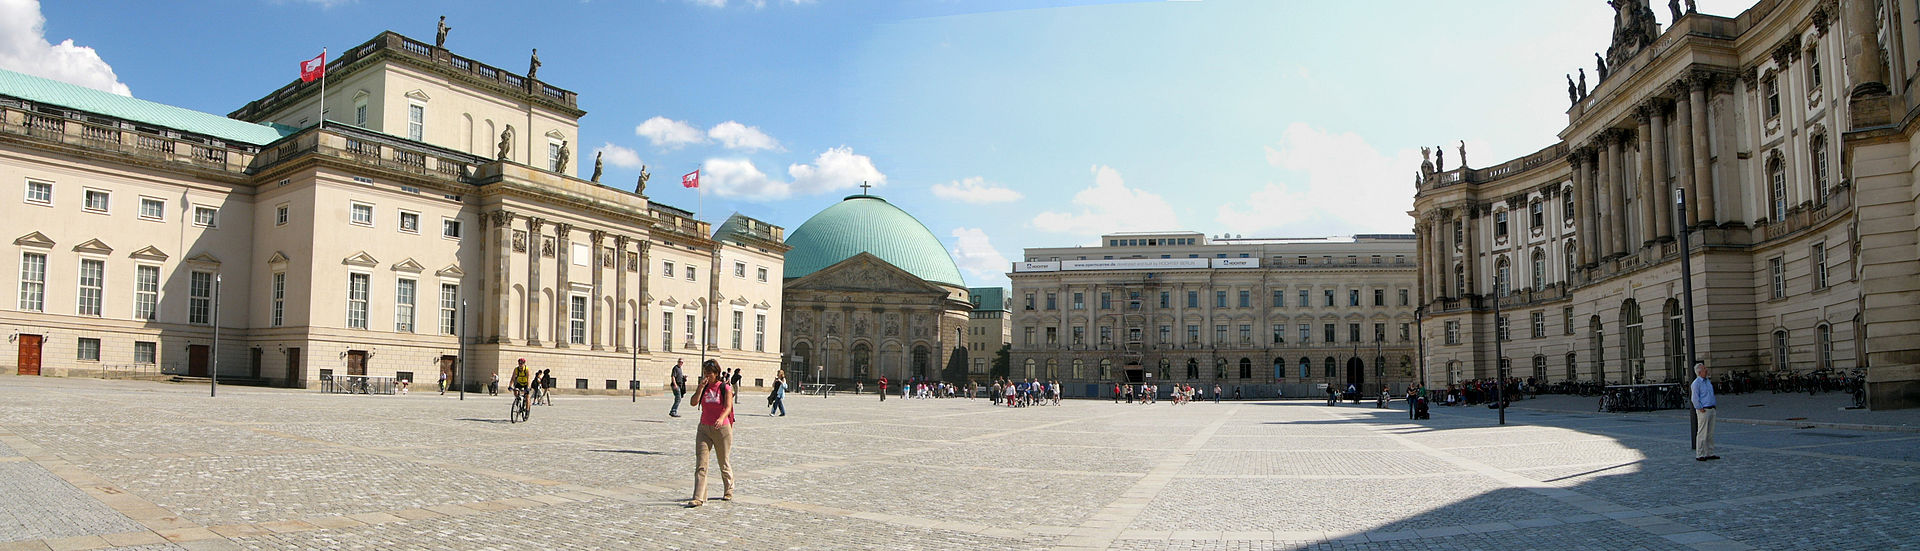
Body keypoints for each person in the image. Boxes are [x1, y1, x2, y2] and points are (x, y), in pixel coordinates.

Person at [686, 360, 735, 508]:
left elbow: (728, 407)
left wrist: (721, 418)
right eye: (705, 372)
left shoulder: (725, 388)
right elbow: (693, 403)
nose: (707, 376)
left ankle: (729, 489)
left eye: (710, 373)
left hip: (722, 429)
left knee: (723, 462)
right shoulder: (704, 387)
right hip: (704, 429)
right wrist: (700, 388)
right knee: (701, 464)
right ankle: (699, 497)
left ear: (716, 373)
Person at [1691, 361, 1719, 461]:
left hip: (1711, 408)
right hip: (1704, 410)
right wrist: (1699, 407)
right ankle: (1700, 453)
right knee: (1702, 432)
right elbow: (1694, 398)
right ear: (1699, 372)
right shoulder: (1696, 383)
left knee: (1710, 433)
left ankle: (1710, 452)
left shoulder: (1707, 381)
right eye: (1704, 369)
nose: (1706, 370)